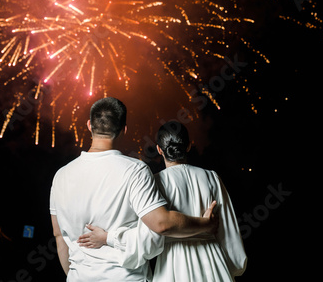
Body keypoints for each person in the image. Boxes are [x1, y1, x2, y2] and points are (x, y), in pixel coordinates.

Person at [50, 98, 218, 282]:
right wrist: (206, 223)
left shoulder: (61, 176)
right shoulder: (135, 170)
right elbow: (162, 224)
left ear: (89, 125)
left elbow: (59, 236)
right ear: (124, 129)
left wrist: (75, 275)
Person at [78, 121, 247, 281]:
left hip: (172, 265)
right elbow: (228, 231)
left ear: (159, 149)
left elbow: (145, 239)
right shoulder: (211, 177)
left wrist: (108, 237)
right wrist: (233, 267)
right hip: (213, 263)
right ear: (188, 146)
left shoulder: (154, 182)